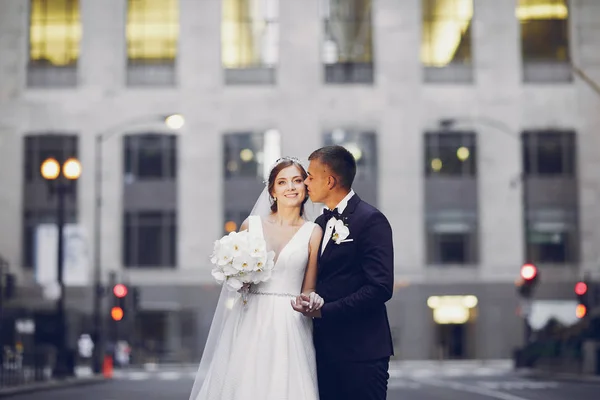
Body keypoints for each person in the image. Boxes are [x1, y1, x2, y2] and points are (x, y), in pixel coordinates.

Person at [189, 157, 325, 400]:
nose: (290, 188)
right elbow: (236, 279)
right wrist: (241, 279)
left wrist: (311, 301)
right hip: (252, 316)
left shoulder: (313, 232)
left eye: (296, 181)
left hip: (291, 322)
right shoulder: (250, 226)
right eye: (282, 182)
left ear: (305, 187)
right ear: (272, 190)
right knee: (247, 383)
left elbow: (308, 289)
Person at [292, 145, 395, 400]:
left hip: (361, 353)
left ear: (330, 181)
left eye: (310, 177)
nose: (306, 183)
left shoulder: (371, 220)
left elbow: (380, 287)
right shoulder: (319, 224)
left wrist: (325, 311)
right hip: (323, 351)